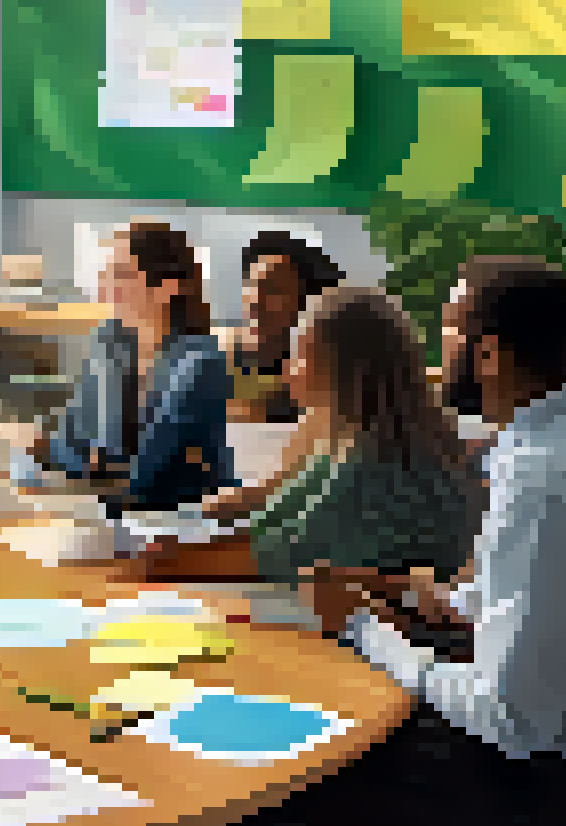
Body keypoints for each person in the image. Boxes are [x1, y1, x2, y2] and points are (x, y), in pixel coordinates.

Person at [162, 258, 566, 826]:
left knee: (227, 799)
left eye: (450, 332)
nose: (437, 353)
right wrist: (407, 597)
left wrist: (369, 633)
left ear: (487, 353)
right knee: (305, 756)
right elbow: (529, 602)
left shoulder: (545, 483)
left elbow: (511, 717)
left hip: (538, 803)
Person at [150, 286, 478, 586]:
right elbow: (266, 522)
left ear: (342, 367)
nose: (287, 369)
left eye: (300, 355)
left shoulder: (373, 463)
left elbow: (254, 556)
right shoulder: (362, 441)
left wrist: (140, 553)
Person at [36, 221, 232, 512]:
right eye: (106, 273)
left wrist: (88, 461)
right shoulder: (108, 343)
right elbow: (67, 440)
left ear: (167, 288)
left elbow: (150, 475)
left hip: (177, 520)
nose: (104, 285)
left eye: (121, 274)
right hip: (107, 509)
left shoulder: (200, 363)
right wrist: (87, 460)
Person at [229, 232, 345, 423]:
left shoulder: (326, 375)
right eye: (251, 285)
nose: (255, 300)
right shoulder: (216, 359)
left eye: (274, 290)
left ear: (306, 301)